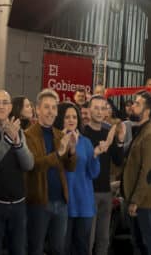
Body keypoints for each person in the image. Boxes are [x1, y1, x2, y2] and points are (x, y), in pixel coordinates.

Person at [25, 89, 76, 255]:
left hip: (61, 202)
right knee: (36, 248)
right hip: (39, 202)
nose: (51, 112)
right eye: (46, 107)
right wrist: (59, 153)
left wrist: (71, 151)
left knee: (58, 249)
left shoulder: (59, 134)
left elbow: (70, 167)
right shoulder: (28, 135)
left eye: (54, 108)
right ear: (37, 109)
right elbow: (34, 166)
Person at [123, 92, 151, 255]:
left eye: (137, 104)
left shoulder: (150, 135)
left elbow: (148, 172)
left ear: (147, 112)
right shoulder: (140, 131)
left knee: (149, 245)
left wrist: (135, 201)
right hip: (137, 198)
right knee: (139, 245)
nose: (132, 106)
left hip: (143, 201)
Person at [56, 103, 99, 255]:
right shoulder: (56, 140)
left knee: (82, 248)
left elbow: (93, 173)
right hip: (63, 204)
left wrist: (95, 156)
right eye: (67, 117)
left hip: (84, 204)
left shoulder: (86, 142)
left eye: (74, 117)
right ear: (61, 118)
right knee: (62, 248)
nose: (71, 120)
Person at [0, 89, 33, 255]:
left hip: (18, 204)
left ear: (11, 107)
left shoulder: (17, 130)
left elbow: (29, 164)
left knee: (18, 250)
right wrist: (7, 141)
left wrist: (18, 143)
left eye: (5, 103)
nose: (1, 106)